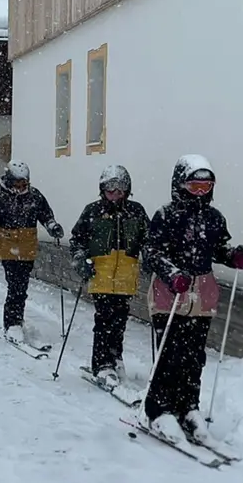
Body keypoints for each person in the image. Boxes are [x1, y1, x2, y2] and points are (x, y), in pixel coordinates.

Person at [141, 154, 243, 444]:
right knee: (169, 355)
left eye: (206, 187)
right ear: (180, 185)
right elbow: (151, 252)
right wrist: (172, 273)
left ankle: (188, 407)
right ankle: (159, 410)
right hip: (170, 295)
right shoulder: (166, 215)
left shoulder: (214, 218)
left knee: (193, 357)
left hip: (201, 297)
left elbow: (219, 248)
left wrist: (233, 256)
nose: (200, 193)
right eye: (194, 186)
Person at [69, 165, 150, 389]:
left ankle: (115, 357)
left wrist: (149, 255)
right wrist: (81, 258)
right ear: (102, 190)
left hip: (125, 276)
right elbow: (77, 240)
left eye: (119, 189)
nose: (114, 194)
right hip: (101, 275)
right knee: (104, 319)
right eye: (109, 189)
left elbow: (148, 238)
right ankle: (102, 363)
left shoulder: (136, 211)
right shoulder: (93, 211)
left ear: (127, 190)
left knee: (120, 320)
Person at [0, 160, 64, 348]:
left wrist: (52, 226)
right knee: (15, 285)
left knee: (21, 285)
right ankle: (12, 323)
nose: (21, 187)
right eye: (17, 183)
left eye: (24, 183)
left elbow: (46, 215)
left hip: (26, 247)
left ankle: (17, 319)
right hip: (7, 245)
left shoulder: (34, 196)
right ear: (9, 181)